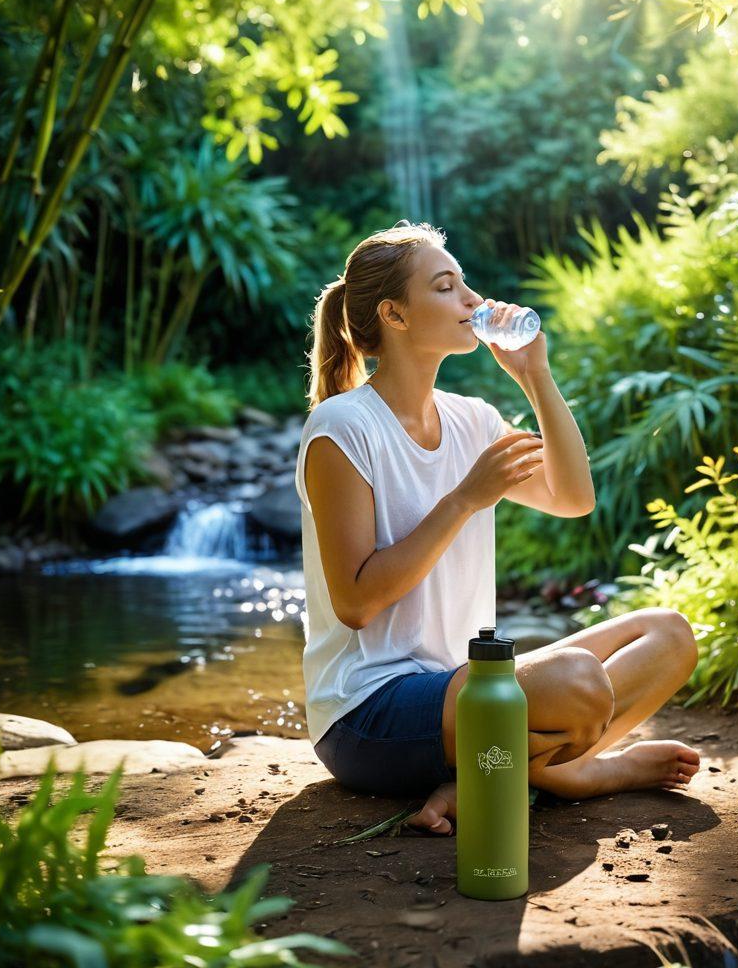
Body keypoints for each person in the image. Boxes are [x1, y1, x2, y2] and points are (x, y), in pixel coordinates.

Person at [294, 220, 701, 836]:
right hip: (368, 714)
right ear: (395, 315)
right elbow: (355, 603)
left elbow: (573, 498)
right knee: (576, 683)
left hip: (468, 690)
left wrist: (535, 375)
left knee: (669, 634)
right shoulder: (343, 428)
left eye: (466, 284)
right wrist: (463, 500)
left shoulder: (472, 419)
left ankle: (501, 770)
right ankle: (574, 773)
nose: (473, 301)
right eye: (446, 286)